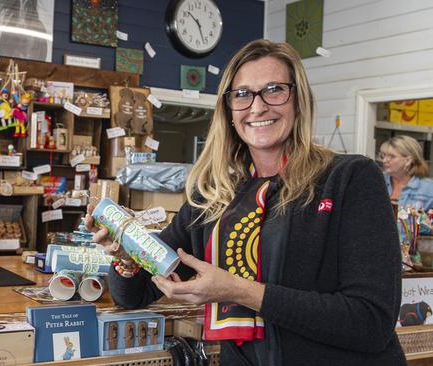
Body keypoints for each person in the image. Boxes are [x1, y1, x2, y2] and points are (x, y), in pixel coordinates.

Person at [86, 39, 405, 365]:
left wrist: (239, 290)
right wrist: (128, 257)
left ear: (299, 100)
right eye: (242, 94)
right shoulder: (213, 195)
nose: (257, 107)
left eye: (274, 89)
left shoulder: (349, 178)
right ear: (228, 109)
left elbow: (372, 321)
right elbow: (134, 295)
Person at [380, 135, 433, 211]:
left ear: (408, 160)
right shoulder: (377, 182)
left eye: (392, 157)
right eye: (383, 156)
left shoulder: (429, 189)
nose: (384, 160)